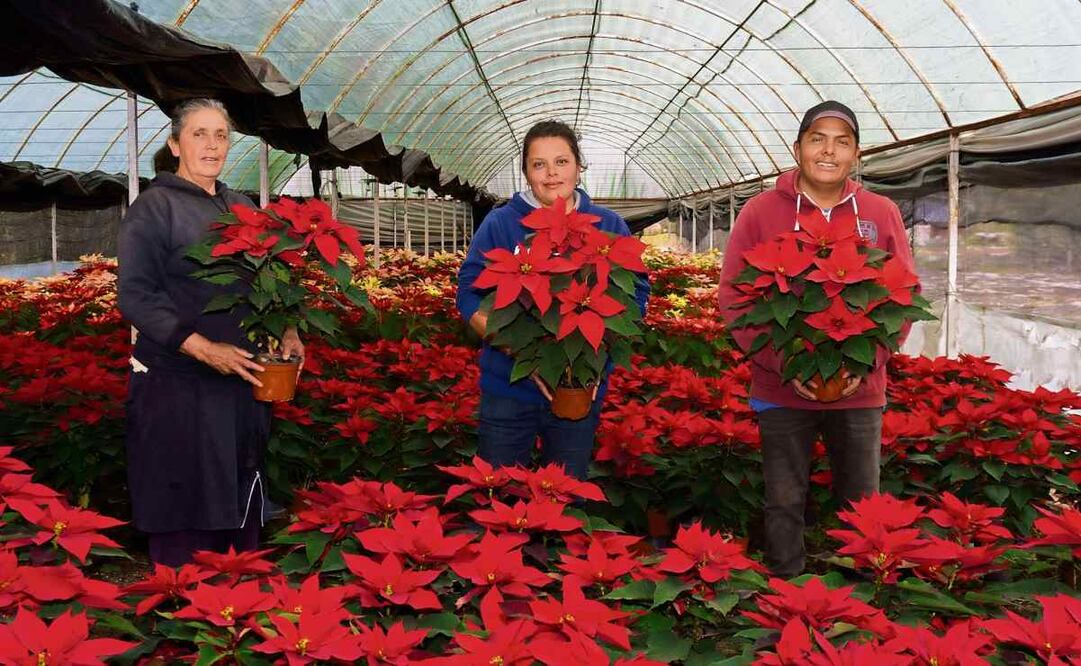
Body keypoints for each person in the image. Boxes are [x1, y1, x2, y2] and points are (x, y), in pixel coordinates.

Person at [717, 100, 918, 577]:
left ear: (856, 155)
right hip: (781, 390)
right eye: (818, 139)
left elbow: (904, 294)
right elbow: (734, 296)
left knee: (862, 505)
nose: (829, 151)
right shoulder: (761, 211)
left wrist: (865, 364)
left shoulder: (880, 212)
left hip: (859, 392)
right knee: (784, 503)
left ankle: (864, 605)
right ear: (798, 148)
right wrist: (784, 365)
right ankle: (785, 599)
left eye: (841, 142)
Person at [117, 98, 303, 566]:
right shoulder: (153, 209)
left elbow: (271, 279)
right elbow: (136, 296)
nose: (212, 144)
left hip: (239, 382)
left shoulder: (240, 205)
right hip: (177, 385)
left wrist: (287, 328)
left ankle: (236, 608)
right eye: (199, 134)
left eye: (220, 135)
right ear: (174, 143)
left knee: (240, 487)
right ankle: (184, 616)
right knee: (184, 496)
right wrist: (201, 348)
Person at [457, 120, 650, 480]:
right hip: (508, 388)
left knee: (565, 494)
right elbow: (469, 292)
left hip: (578, 390)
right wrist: (520, 351)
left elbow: (636, 293)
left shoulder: (607, 225)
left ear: (579, 166)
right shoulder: (500, 224)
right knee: (498, 490)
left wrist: (592, 365)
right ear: (526, 172)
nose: (550, 174)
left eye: (561, 162)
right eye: (538, 164)